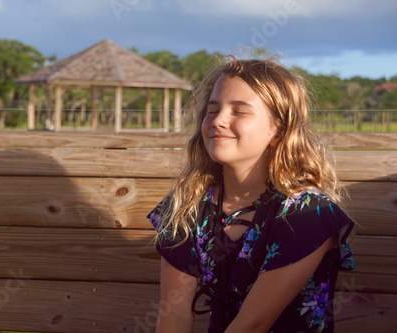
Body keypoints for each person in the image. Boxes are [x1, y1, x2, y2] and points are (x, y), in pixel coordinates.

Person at [147, 57, 355, 333]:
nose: (218, 121)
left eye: (239, 111)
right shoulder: (188, 204)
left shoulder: (307, 212)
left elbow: (252, 325)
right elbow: (173, 317)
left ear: (278, 130)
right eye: (212, 110)